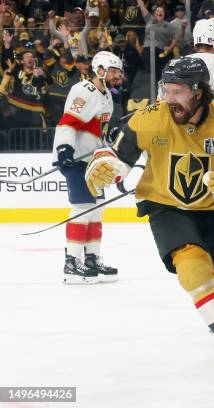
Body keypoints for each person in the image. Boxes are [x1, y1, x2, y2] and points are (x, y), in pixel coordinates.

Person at [84, 56, 214, 380]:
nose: (169, 98)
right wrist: (107, 162)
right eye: (165, 90)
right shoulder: (151, 118)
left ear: (199, 92)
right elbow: (116, 151)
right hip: (167, 207)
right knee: (193, 270)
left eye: (177, 91)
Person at [51, 50, 124, 284]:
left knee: (97, 208)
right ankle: (72, 261)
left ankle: (92, 258)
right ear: (100, 70)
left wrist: (108, 141)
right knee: (83, 208)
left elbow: (97, 129)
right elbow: (68, 121)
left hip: (93, 161)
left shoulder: (108, 96)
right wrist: (64, 149)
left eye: (119, 72)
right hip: (76, 158)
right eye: (113, 71)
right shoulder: (84, 90)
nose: (117, 76)